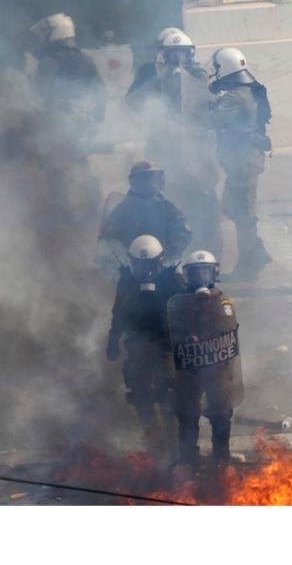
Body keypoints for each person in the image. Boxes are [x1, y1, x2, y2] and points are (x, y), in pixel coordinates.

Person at [126, 28, 223, 255]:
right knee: (170, 200)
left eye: (183, 54)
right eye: (173, 54)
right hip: (165, 150)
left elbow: (211, 105)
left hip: (196, 150)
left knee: (204, 199)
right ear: (162, 55)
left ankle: (209, 251)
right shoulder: (153, 76)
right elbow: (133, 104)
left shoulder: (200, 75)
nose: (178, 61)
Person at [106, 235, 182, 456]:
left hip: (166, 345)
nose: (144, 270)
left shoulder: (172, 282)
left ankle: (175, 447)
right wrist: (113, 340)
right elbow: (118, 313)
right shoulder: (127, 282)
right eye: (139, 265)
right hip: (137, 345)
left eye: (149, 265)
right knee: (139, 393)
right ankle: (155, 443)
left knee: (168, 392)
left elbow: (186, 312)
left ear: (160, 261)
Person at [167, 250, 241, 471]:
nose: (201, 279)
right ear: (187, 277)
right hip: (190, 368)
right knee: (187, 413)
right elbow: (172, 329)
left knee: (221, 412)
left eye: (205, 273)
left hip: (216, 368)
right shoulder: (179, 303)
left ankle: (221, 458)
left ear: (214, 273)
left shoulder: (223, 301)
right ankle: (188, 459)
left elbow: (228, 328)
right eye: (196, 274)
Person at [207, 47, 273, 279]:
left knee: (243, 214)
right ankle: (256, 254)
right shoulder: (247, 90)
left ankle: (250, 265)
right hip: (245, 160)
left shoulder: (235, 96)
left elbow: (211, 119)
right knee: (233, 209)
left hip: (243, 162)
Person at [98, 160, 193, 269]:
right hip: (131, 268)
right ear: (136, 181)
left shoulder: (167, 208)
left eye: (154, 177)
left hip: (163, 266)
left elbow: (183, 233)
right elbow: (109, 237)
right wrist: (122, 259)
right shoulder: (123, 209)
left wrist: (169, 256)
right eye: (146, 178)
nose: (150, 182)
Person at [28, 13, 107, 133]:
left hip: (57, 126)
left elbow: (41, 94)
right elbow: (101, 91)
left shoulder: (50, 60)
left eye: (45, 34)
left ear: (55, 34)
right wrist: (96, 118)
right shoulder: (86, 59)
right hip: (85, 126)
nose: (42, 39)